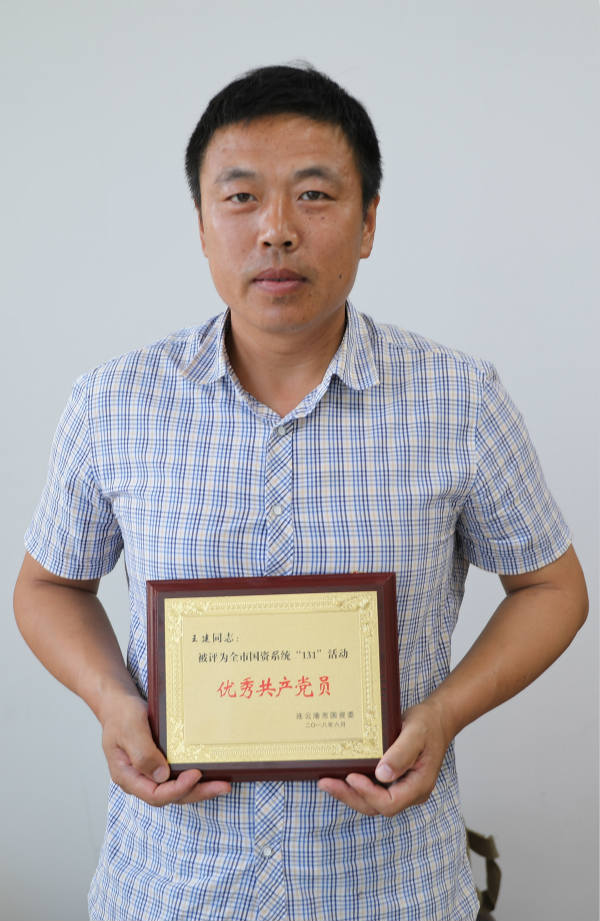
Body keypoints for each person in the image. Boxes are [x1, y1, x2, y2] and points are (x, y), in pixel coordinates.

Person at [14, 63, 588, 921]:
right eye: (241, 198)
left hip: (392, 889)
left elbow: (552, 587)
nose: (276, 230)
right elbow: (48, 586)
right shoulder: (113, 401)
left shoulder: (461, 399)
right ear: (202, 225)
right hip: (171, 888)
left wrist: (444, 714)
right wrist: (111, 699)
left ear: (368, 222)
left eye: (314, 195)